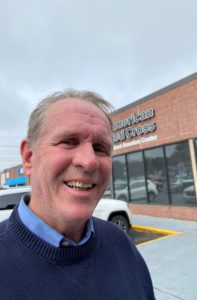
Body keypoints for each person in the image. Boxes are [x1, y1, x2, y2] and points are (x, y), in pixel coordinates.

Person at [0, 89, 155, 299]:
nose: (90, 161)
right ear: (29, 158)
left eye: (100, 148)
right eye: (69, 141)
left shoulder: (121, 243)